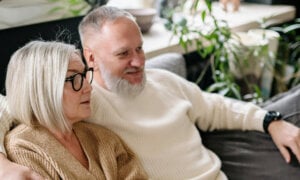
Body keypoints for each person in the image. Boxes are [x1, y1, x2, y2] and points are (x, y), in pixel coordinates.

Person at [0, 5, 300, 180]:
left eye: (140, 49)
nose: (139, 62)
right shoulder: (83, 101)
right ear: (91, 58)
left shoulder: (162, 81)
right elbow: (16, 106)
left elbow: (216, 106)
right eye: (123, 54)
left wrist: (270, 120)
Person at [2, 40, 148, 179]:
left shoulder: (104, 139)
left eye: (84, 76)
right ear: (41, 89)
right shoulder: (21, 150)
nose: (88, 88)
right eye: (74, 78)